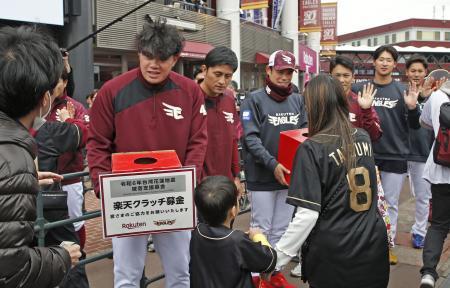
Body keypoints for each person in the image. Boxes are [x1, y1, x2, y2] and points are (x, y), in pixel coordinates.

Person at [87, 19, 207, 288]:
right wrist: (101, 185)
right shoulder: (111, 91)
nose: (154, 64)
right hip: (127, 195)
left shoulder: (190, 92)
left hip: (173, 196)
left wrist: (188, 183)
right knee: (126, 277)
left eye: (163, 58)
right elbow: (97, 143)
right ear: (138, 53)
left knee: (180, 273)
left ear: (175, 58)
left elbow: (198, 142)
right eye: (148, 56)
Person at [274, 75, 390, 288]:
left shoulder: (312, 148)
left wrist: (277, 259)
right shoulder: (362, 136)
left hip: (334, 252)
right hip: (372, 244)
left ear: (313, 106)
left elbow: (307, 214)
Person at [0, 25, 81, 288]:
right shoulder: (14, 158)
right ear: (46, 98)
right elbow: (11, 270)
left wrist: (27, 180)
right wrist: (62, 256)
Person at [240, 50, 307, 288]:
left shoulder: (298, 100)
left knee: (282, 228)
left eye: (289, 72)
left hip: (289, 177)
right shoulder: (253, 99)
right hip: (262, 176)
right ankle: (258, 276)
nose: (285, 76)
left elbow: (304, 133)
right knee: (261, 228)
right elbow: (251, 139)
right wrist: (273, 164)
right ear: (268, 71)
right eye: (280, 71)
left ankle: (274, 272)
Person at [352, 45, 421, 264]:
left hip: (395, 155)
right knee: (363, 202)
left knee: (390, 203)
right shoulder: (360, 88)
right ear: (374, 62)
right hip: (365, 153)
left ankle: (387, 246)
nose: (384, 63)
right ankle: (362, 245)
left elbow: (415, 126)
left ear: (394, 64)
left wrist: (412, 108)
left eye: (388, 60)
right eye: (380, 59)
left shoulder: (403, 90)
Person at [190, 176, 276, 288]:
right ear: (233, 211)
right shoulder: (237, 241)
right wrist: (258, 236)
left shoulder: (197, 233)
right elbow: (269, 260)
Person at [418, 81, 450, 288]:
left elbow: (424, 122)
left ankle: (429, 273)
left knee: (438, 224)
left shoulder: (438, 96)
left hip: (442, 171)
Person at [199, 47, 242, 194]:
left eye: (228, 76)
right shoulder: (190, 98)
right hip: (200, 186)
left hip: (226, 184)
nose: (222, 81)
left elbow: (233, 140)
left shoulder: (230, 100)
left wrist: (236, 176)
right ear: (204, 70)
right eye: (217, 74)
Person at [404, 54, 435, 250]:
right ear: (406, 72)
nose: (416, 74)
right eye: (412, 71)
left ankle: (419, 232)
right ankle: (385, 233)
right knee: (389, 199)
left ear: (425, 73)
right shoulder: (399, 91)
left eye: (420, 71)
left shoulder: (435, 96)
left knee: (423, 197)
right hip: (397, 153)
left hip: (422, 153)